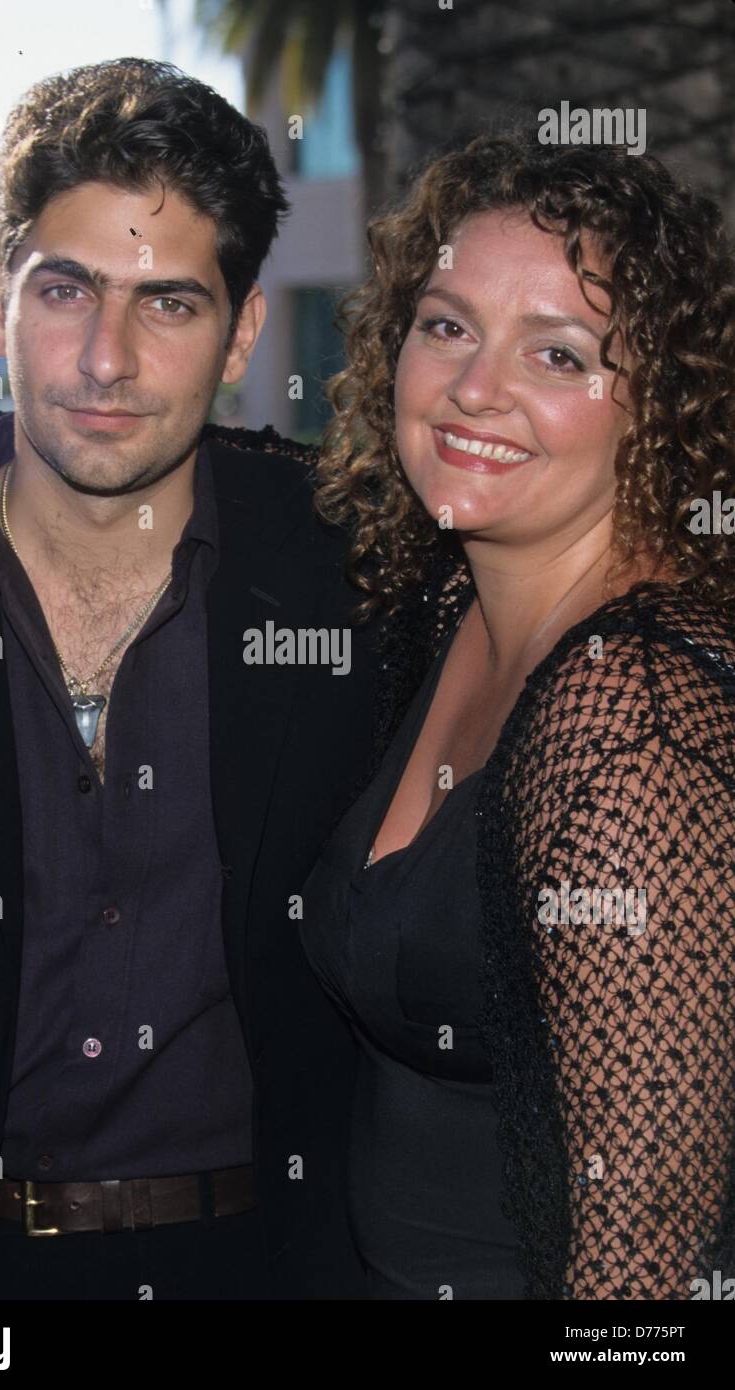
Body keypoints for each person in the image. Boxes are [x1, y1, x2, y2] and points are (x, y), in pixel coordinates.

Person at [0, 56, 381, 1301]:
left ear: (246, 329)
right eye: (65, 289)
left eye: (169, 304)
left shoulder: (350, 581)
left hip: (259, 1267)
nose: (105, 359)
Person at [298, 130, 735, 1299]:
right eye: (446, 325)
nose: (474, 387)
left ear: (662, 404)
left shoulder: (630, 723)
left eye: (558, 354)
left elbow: (645, 1268)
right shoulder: (450, 599)